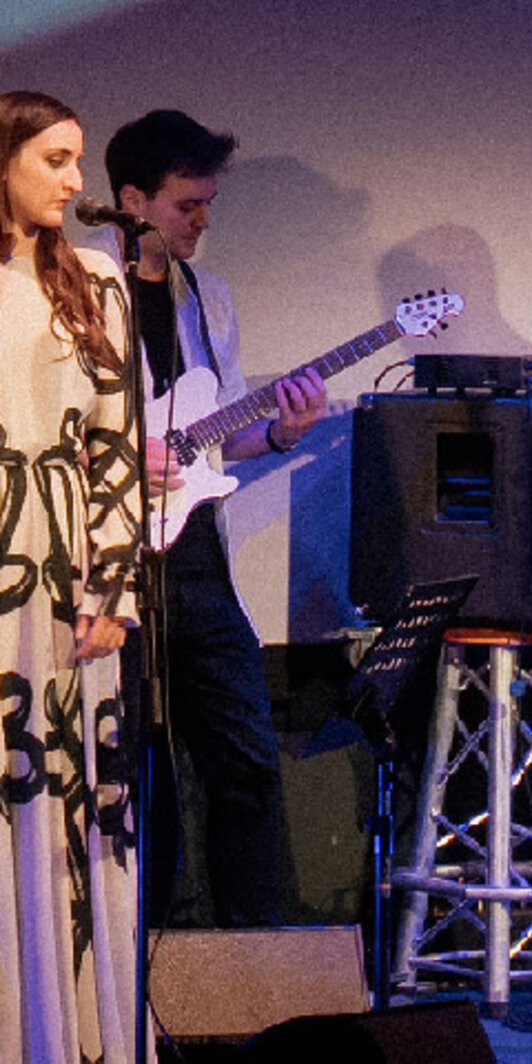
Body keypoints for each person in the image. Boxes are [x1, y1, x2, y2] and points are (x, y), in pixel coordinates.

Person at [82, 110, 326, 928]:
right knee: (130, 777)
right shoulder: (78, 287)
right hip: (110, 565)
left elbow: (211, 442)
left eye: (207, 204)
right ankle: (136, 963)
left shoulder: (207, 296)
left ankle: (252, 954)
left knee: (248, 762)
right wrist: (119, 458)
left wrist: (281, 433)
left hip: (198, 564)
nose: (202, 221)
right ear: (133, 201)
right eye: (187, 205)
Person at [0, 91, 142, 1062]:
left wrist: (115, 590)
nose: (75, 179)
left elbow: (116, 447)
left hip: (65, 578)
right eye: (54, 159)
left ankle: (69, 1037)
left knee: (62, 810)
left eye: (78, 159)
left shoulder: (95, 279)